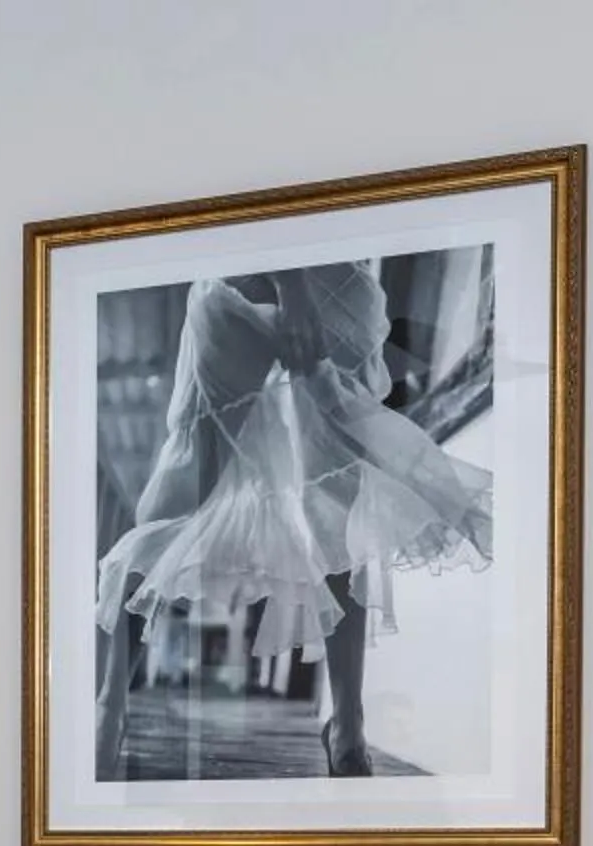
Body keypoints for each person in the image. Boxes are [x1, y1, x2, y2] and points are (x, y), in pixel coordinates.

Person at [97, 263, 491, 775]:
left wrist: (291, 285)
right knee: (326, 495)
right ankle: (347, 728)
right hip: (308, 284)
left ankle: (111, 707)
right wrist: (294, 285)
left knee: (209, 476)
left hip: (260, 280)